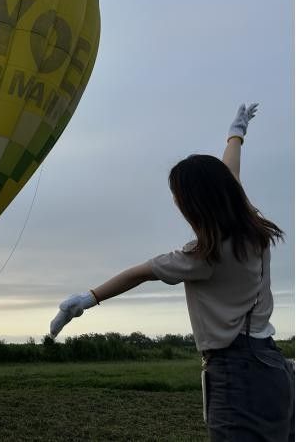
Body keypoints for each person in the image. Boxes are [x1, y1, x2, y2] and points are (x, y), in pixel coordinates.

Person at [49, 103, 294, 441]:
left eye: (179, 197)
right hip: (271, 365)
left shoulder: (201, 256)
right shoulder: (253, 227)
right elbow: (232, 173)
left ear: (195, 204)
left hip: (235, 372)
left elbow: (140, 273)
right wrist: (236, 135)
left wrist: (86, 299)